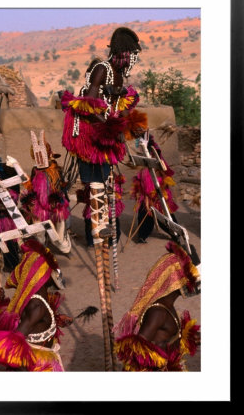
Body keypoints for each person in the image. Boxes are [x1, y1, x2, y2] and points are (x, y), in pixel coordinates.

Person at [61, 26, 148, 242]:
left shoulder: (118, 75)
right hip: (89, 135)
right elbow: (87, 107)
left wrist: (130, 124)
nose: (131, 61)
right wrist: (110, 126)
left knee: (107, 183)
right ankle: (96, 237)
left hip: (104, 133)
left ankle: (107, 232)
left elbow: (121, 106)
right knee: (95, 185)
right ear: (121, 53)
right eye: (130, 56)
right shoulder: (102, 69)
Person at [113, 241, 201, 371]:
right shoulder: (158, 312)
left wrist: (187, 337)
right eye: (193, 280)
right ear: (176, 279)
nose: (195, 286)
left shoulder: (168, 307)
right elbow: (137, 351)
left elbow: (165, 338)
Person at [0, 239, 67, 371]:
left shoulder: (35, 299)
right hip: (37, 366)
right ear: (42, 275)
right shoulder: (37, 305)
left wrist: (55, 320)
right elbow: (14, 344)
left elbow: (36, 323)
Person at [20, 132, 71, 254]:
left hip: (55, 203)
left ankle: (63, 243)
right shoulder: (35, 170)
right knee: (38, 228)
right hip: (39, 205)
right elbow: (32, 187)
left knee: (60, 224)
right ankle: (41, 248)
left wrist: (63, 190)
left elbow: (61, 185)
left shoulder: (56, 169)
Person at [130, 133, 179, 243]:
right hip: (146, 193)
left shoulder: (155, 151)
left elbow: (162, 166)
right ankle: (142, 235)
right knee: (144, 214)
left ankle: (176, 234)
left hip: (158, 190)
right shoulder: (142, 160)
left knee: (166, 214)